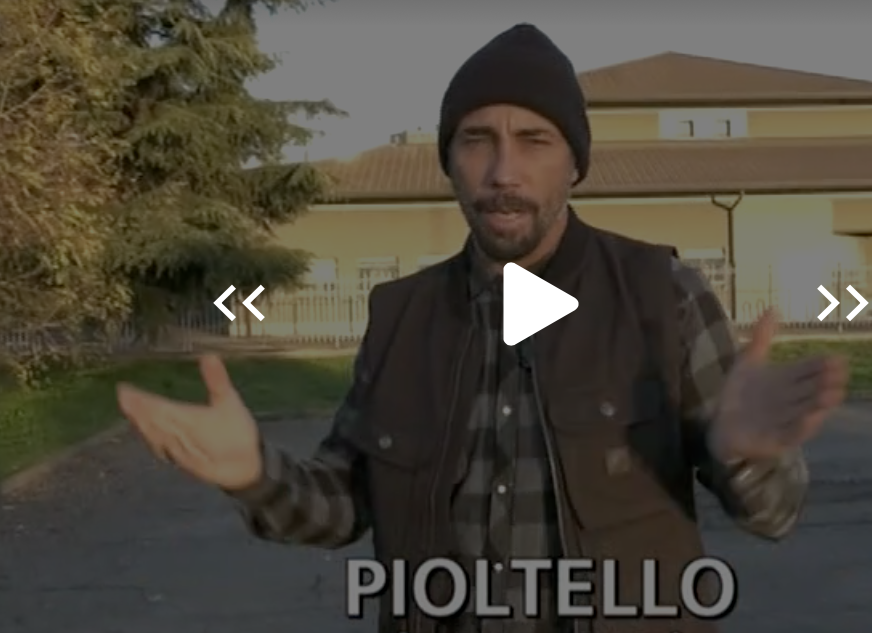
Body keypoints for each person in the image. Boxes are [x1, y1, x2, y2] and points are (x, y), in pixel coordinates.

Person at [117, 23, 848, 633]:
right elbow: (342, 504)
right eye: (476, 140)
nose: (503, 170)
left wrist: (746, 454)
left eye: (534, 140)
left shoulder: (663, 296)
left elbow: (775, 514)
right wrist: (255, 474)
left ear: (575, 164)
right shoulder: (401, 319)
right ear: (449, 161)